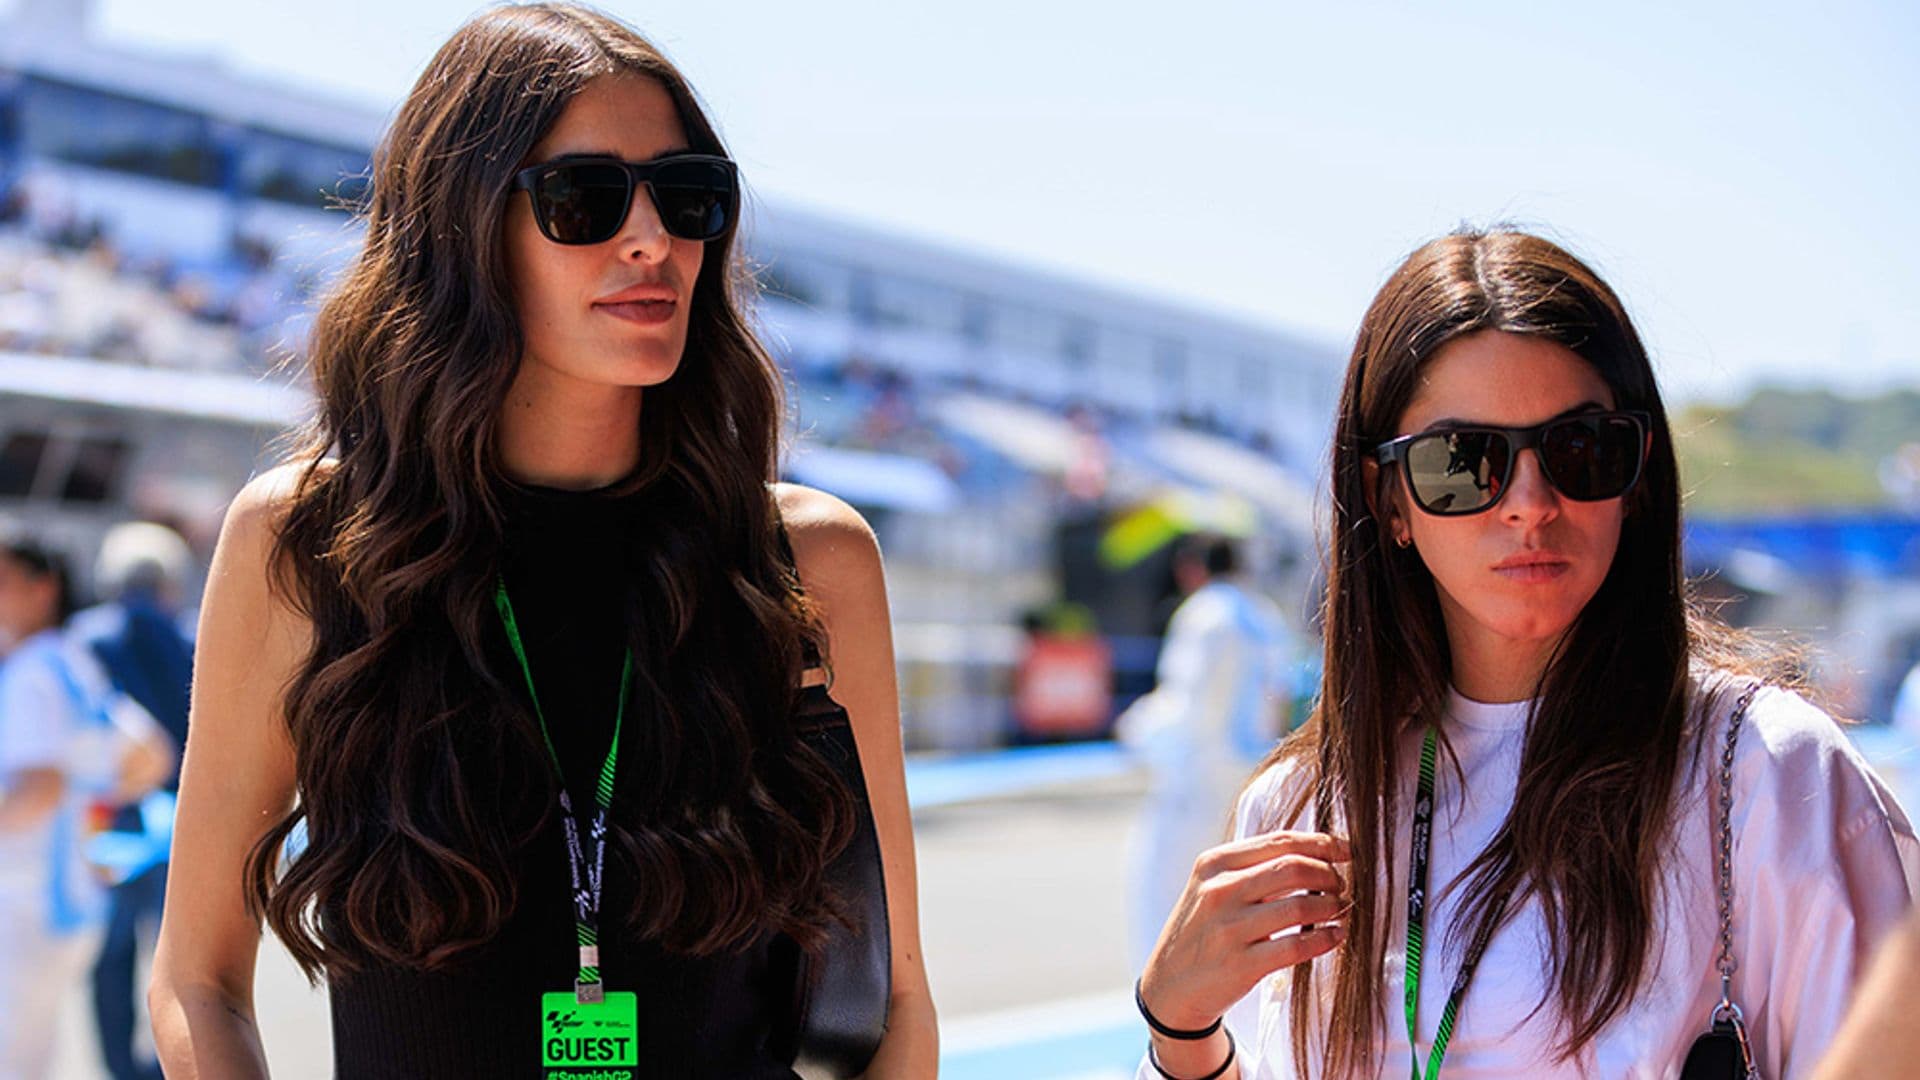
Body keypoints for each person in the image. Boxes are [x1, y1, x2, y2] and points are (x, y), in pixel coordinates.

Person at [148, 6, 936, 1078]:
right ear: (463, 227)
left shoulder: (806, 560)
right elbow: (196, 979)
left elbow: (891, 1004)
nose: (652, 237)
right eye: (586, 198)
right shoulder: (314, 544)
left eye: (690, 194)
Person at [1134, 230, 1920, 1080]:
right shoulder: (1302, 808)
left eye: (1582, 449)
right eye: (1463, 463)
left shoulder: (1768, 775)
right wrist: (1180, 1033)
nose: (1529, 504)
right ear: (1388, 499)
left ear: (1640, 473)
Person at [0, 536, 173, 1077]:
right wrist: (90, 801)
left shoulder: (33, 670)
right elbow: (153, 755)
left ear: (42, 587)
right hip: (72, 899)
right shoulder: (70, 661)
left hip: (26, 904)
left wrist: (74, 798)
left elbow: (40, 786)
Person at [1117, 534, 1292, 971]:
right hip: (1254, 780)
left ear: (1192, 569)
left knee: (1161, 898)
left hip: (1201, 779)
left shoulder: (1206, 613)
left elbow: (1185, 704)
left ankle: (1164, 1018)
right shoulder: (1264, 616)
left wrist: (1136, 729)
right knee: (1248, 908)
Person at [70, 521, 196, 1080]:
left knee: (111, 959)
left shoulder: (84, 638)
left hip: (107, 823)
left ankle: (120, 1068)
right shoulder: (194, 636)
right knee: (183, 969)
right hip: (185, 825)